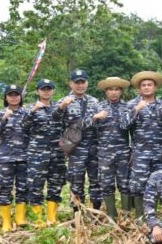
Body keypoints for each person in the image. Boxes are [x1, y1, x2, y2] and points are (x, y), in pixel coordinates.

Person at [120, 71, 162, 219]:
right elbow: (123, 125)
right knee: (139, 185)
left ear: (155, 88)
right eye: (143, 85)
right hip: (140, 153)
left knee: (159, 183)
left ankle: (155, 215)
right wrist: (137, 109)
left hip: (159, 152)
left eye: (149, 85)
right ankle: (140, 217)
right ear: (139, 89)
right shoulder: (132, 104)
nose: (146, 88)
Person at [53, 69, 101, 210]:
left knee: (95, 180)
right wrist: (62, 107)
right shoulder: (64, 101)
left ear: (87, 83)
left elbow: (100, 124)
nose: (80, 85)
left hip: (93, 147)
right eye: (77, 83)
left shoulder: (94, 101)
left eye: (83, 82)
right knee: (76, 180)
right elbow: (54, 119)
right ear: (70, 84)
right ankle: (77, 213)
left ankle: (96, 211)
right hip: (75, 149)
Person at [87, 77, 132, 221]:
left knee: (124, 183)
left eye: (117, 89)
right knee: (106, 183)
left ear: (121, 91)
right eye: (110, 89)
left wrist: (132, 150)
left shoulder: (128, 107)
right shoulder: (97, 107)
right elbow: (84, 125)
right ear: (106, 91)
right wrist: (95, 117)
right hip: (104, 152)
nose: (113, 92)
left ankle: (125, 215)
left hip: (123, 151)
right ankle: (111, 214)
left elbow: (133, 130)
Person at [22, 79, 66, 227]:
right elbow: (23, 127)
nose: (46, 91)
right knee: (35, 184)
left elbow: (67, 129)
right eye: (43, 89)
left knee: (56, 183)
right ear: (37, 91)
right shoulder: (30, 108)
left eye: (49, 88)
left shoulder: (60, 107)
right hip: (37, 153)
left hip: (57, 153)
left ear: (53, 91)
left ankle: (52, 217)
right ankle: (38, 218)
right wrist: (32, 111)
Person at [0, 84, 28, 232]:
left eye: (16, 94)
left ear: (20, 97)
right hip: (6, 159)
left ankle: (20, 217)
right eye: (10, 95)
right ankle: (6, 221)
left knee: (23, 188)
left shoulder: (26, 114)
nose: (14, 97)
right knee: (5, 188)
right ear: (6, 97)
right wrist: (4, 119)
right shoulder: (0, 114)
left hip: (24, 157)